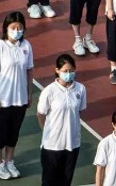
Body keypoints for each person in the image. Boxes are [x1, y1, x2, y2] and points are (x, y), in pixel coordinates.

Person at [0, 11, 34, 180]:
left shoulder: (26, 46)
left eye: (20, 27)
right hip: (3, 100)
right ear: (6, 28)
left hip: (20, 99)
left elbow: (29, 70)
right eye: (13, 27)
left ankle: (9, 161)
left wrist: (29, 94)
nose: (17, 30)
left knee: (13, 134)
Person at [37, 54, 87, 186]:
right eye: (65, 71)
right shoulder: (49, 91)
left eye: (71, 71)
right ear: (57, 70)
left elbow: (79, 111)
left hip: (72, 144)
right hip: (52, 146)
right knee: (49, 182)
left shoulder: (80, 89)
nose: (68, 74)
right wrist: (47, 131)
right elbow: (41, 114)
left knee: (66, 181)